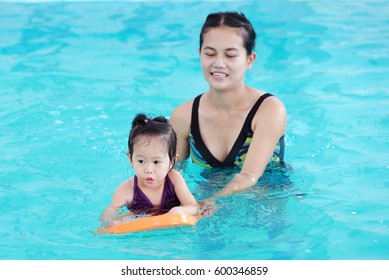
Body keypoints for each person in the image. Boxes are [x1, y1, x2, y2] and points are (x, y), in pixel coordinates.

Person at [170, 11, 287, 200]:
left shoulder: (269, 110)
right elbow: (170, 176)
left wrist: (209, 203)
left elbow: (249, 176)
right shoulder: (183, 117)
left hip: (267, 200)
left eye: (230, 55)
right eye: (209, 53)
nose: (218, 63)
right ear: (200, 54)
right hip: (205, 201)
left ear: (250, 60)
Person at [100, 113, 198, 227]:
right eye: (141, 161)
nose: (149, 170)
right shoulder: (126, 189)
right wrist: (112, 222)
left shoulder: (175, 179)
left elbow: (194, 207)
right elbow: (108, 214)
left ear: (172, 161)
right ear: (130, 158)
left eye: (156, 162)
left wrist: (178, 211)